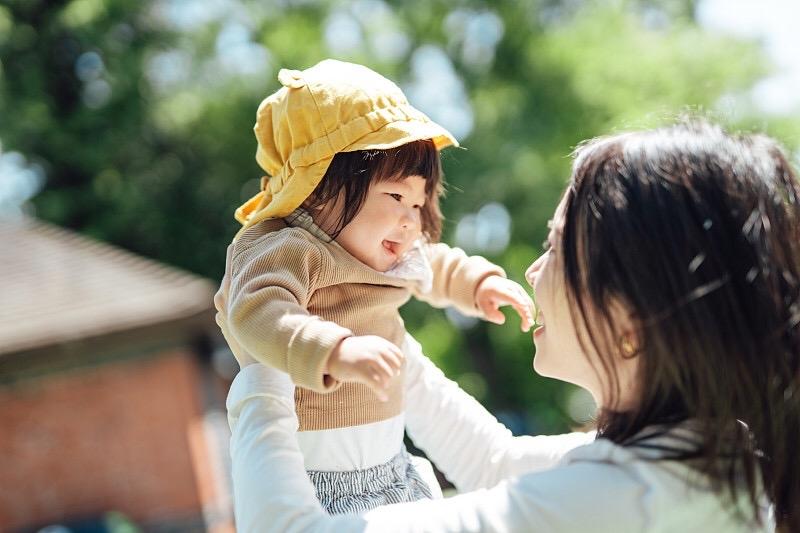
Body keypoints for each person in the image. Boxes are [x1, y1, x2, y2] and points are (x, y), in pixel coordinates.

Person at [223, 120, 800, 532]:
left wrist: (265, 369)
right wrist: (367, 333)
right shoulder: (707, 460)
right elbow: (493, 463)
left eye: (555, 244)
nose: (530, 268)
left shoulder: (622, 501)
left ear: (629, 322)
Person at [214, 59, 534, 515]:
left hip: (390, 469)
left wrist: (478, 284)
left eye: (420, 203)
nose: (411, 219)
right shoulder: (287, 247)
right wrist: (334, 350)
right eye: (397, 196)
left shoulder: (390, 256)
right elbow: (259, 311)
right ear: (322, 185)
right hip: (315, 484)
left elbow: (435, 264)